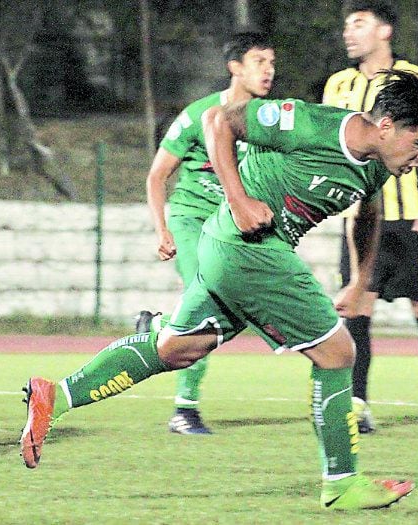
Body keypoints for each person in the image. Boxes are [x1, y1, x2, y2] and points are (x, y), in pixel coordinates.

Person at [21, 69, 418, 510]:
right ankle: (341, 481)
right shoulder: (309, 124)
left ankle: (55, 396)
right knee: (337, 352)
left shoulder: (377, 167)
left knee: (175, 349)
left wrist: (360, 280)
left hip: (233, 251)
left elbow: (367, 215)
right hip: (249, 247)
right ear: (387, 124)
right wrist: (239, 200)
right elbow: (218, 121)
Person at [322, 0, 418, 434]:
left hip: (409, 216)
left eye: (359, 24)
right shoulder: (338, 86)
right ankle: (358, 404)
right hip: (358, 218)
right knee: (357, 307)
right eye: (347, 25)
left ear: (384, 31)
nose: (349, 33)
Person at [137, 31, 275, 434]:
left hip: (229, 230)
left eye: (271, 62)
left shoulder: (271, 120)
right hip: (191, 220)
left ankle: (158, 329)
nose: (268, 71)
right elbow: (157, 175)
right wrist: (162, 229)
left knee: (233, 313)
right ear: (235, 68)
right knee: (207, 296)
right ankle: (184, 409)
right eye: (258, 62)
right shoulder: (201, 113)